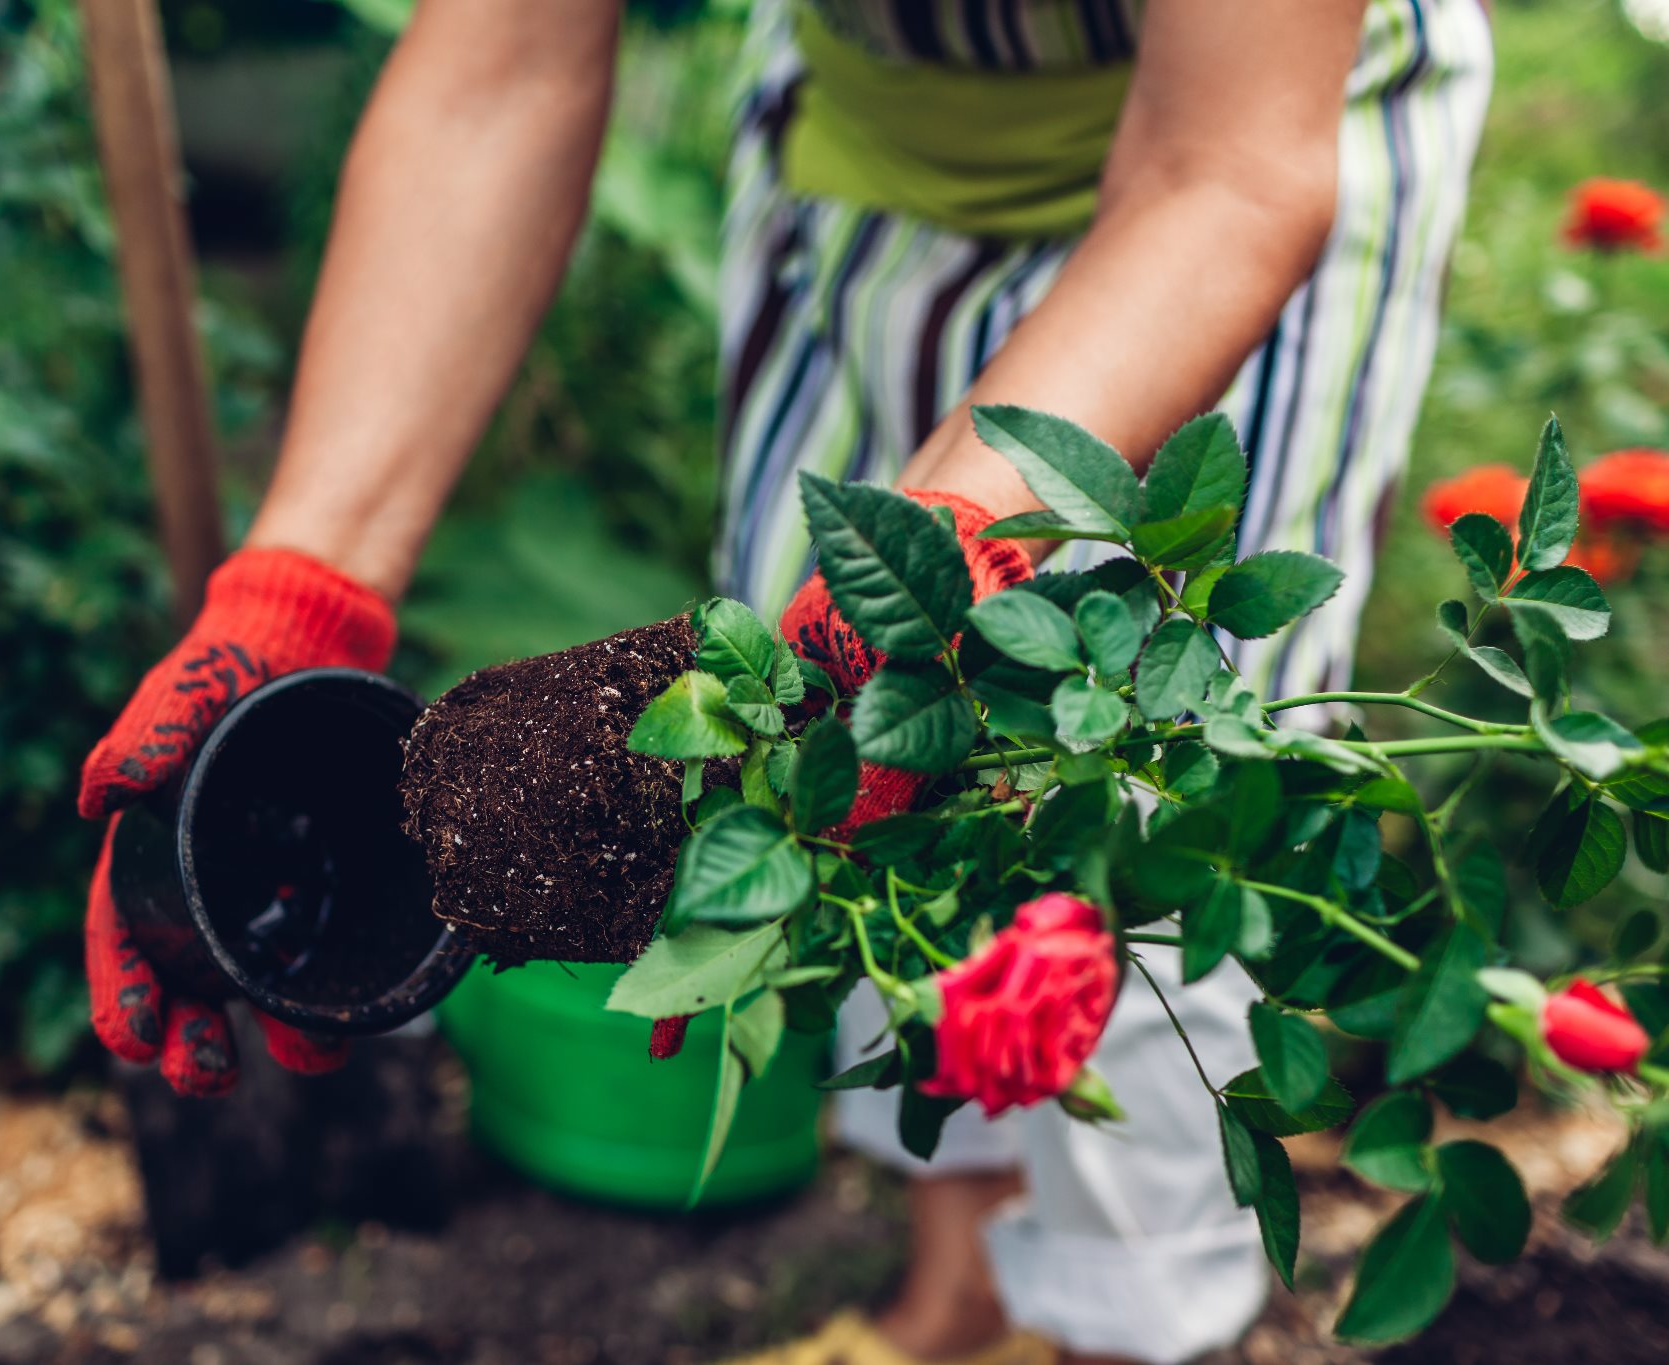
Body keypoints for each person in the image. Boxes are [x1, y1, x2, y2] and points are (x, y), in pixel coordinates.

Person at [75, 1, 1493, 1362]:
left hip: (1231, 167)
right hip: (874, 162)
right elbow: (502, 62)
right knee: (858, 773)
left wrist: (944, 552)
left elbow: (1225, 166)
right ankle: (960, 1301)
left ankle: (1125, 1335)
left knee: (1133, 819)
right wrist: (308, 572)